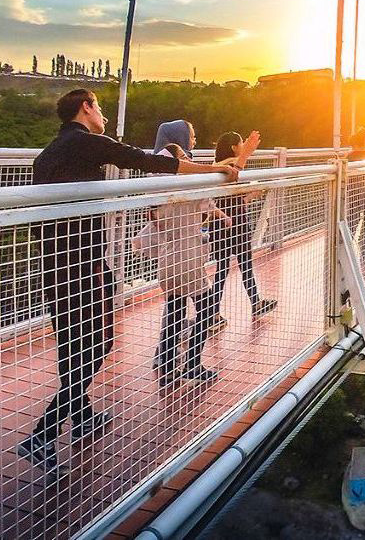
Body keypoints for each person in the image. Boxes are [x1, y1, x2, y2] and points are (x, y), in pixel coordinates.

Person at [19, 90, 239, 471]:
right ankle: (42, 434)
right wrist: (216, 170)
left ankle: (83, 415)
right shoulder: (86, 143)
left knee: (72, 345)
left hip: (55, 264)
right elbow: (149, 162)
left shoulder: (48, 154)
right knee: (100, 344)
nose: (102, 113)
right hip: (85, 265)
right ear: (85, 108)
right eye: (99, 106)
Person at [136, 142, 226, 388]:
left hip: (167, 261)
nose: (188, 160)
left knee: (175, 311)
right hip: (188, 260)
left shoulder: (159, 194)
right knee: (207, 309)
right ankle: (193, 364)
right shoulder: (187, 189)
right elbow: (217, 187)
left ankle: (166, 362)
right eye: (183, 157)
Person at [209, 130, 277, 323]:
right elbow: (235, 173)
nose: (242, 147)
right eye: (241, 144)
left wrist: (249, 196)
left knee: (222, 269)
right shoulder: (228, 166)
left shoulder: (217, 165)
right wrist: (246, 154)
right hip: (235, 222)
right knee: (244, 265)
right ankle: (254, 304)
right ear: (233, 147)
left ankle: (214, 314)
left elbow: (231, 197)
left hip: (220, 222)